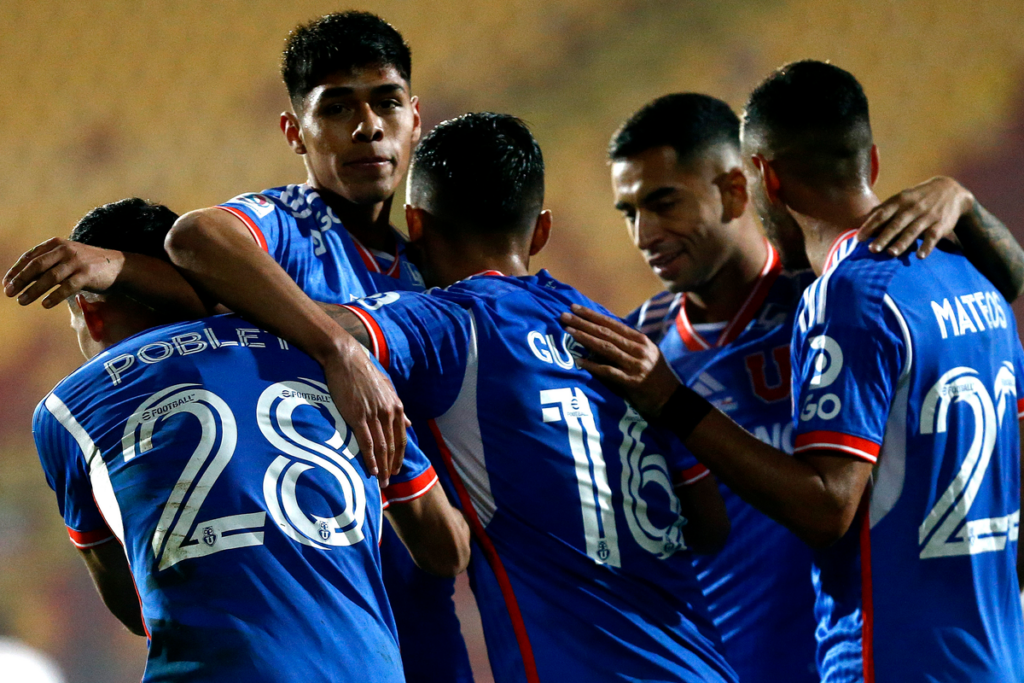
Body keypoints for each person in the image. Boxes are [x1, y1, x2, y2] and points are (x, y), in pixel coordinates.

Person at [5, 13, 474, 682]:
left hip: (400, 606)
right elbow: (198, 241)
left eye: (386, 102)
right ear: (295, 132)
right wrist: (341, 352)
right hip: (331, 593)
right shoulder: (289, 226)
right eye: (336, 107)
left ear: (415, 115)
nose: (367, 125)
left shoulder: (428, 270)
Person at [563, 61, 1024, 682]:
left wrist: (958, 199)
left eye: (664, 202)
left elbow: (825, 505)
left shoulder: (833, 299)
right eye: (628, 212)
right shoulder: (633, 348)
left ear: (745, 185)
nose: (645, 233)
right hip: (740, 662)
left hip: (873, 652)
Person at [324, 112, 738, 683]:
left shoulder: (452, 325)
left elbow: (328, 333)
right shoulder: (621, 340)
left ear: (414, 224)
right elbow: (710, 526)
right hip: (706, 666)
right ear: (540, 231)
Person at [32, 198, 470, 682]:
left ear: (90, 312)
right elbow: (445, 549)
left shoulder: (65, 408)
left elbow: (132, 606)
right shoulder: (335, 363)